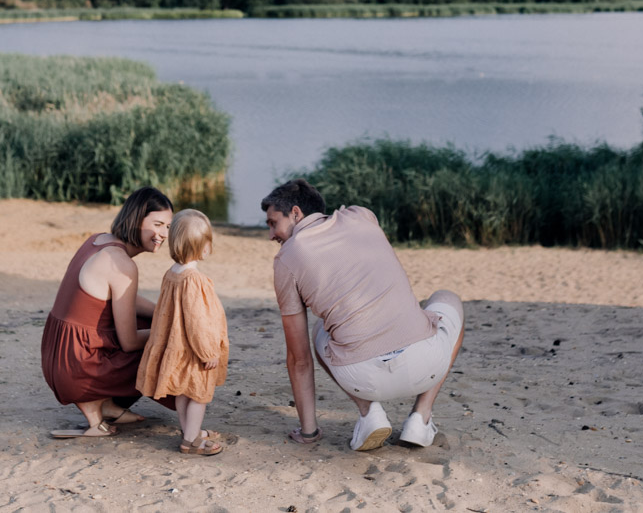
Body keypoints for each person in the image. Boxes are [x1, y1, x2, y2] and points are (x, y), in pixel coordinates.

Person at [261, 179, 465, 451]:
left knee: (320, 329)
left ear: (296, 213)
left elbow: (299, 359)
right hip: (425, 366)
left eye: (273, 223)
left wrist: (308, 433)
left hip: (362, 379)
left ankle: (370, 413)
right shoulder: (362, 215)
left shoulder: (286, 260)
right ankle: (421, 416)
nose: (271, 234)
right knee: (447, 298)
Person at [41, 186, 174, 438]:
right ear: (136, 218)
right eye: (157, 224)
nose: (163, 234)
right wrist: (172, 330)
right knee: (168, 343)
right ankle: (93, 399)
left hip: (59, 356)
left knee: (152, 318)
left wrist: (163, 313)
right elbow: (129, 342)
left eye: (167, 227)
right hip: (77, 367)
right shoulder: (122, 264)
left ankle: (106, 404)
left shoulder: (97, 240)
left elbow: (123, 299)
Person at [137, 209, 229, 456]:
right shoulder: (194, 279)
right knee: (199, 396)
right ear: (204, 247)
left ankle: (190, 430)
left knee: (183, 393)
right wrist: (207, 351)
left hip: (177, 347)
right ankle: (191, 440)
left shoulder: (172, 274)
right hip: (193, 351)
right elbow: (197, 320)